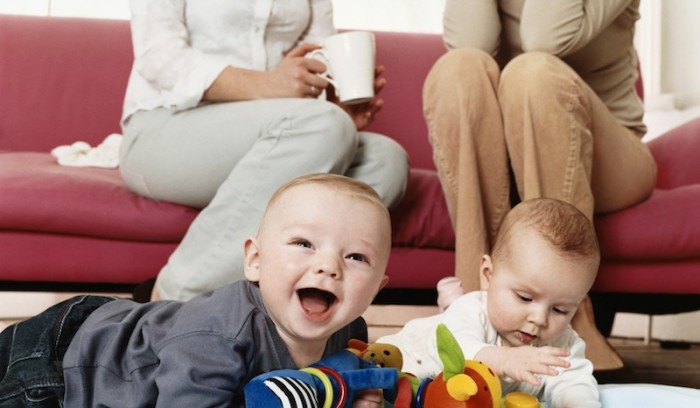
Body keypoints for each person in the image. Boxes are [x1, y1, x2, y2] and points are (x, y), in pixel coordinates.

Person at [0, 174, 391, 407]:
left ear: (377, 289)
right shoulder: (217, 337)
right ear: (255, 260)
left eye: (356, 257)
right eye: (304, 243)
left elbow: (331, 385)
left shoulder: (348, 334)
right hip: (64, 363)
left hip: (132, 331)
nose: (328, 266)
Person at [118, 1, 409, 302]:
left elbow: (317, 53)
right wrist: (273, 87)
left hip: (276, 129)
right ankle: (167, 303)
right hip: (166, 126)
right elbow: (159, 56)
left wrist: (334, 112)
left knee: (386, 160)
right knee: (324, 125)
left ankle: (281, 308)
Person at [422, 0, 657, 369]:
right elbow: (472, 40)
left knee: (533, 74)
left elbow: (544, 37)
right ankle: (471, 311)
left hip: (611, 158)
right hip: (509, 158)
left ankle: (570, 320)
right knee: (458, 69)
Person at [378, 198, 601, 407]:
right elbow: (457, 352)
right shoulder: (471, 309)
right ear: (487, 275)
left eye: (560, 310)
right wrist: (505, 359)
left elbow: (574, 384)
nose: (539, 319)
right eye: (524, 297)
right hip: (403, 364)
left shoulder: (563, 345)